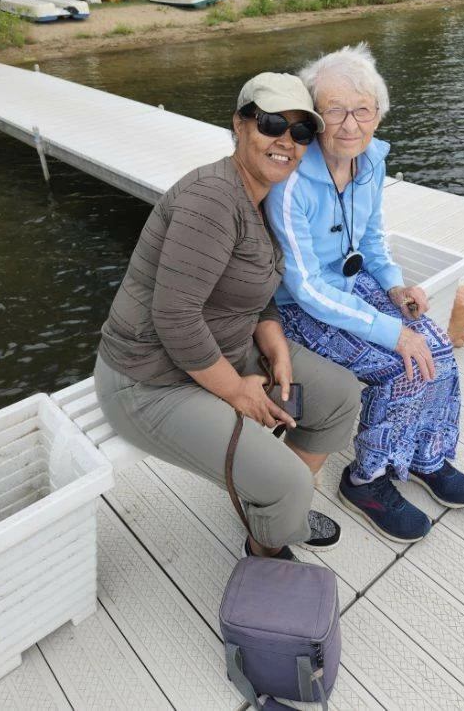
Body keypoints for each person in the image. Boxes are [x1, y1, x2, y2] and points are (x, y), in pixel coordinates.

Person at [94, 72, 363, 560]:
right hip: (150, 379)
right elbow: (174, 316)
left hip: (223, 351)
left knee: (339, 397)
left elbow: (257, 290)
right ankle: (276, 520)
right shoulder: (213, 198)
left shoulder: (258, 197)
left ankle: (271, 514)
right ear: (240, 124)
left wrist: (276, 345)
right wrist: (238, 390)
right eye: (272, 122)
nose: (287, 139)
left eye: (301, 131)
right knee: (287, 484)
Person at [264, 44, 464, 544]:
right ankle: (366, 479)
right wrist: (393, 332)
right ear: (315, 117)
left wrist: (395, 285)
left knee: (440, 352)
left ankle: (424, 453)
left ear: (377, 114)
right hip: (303, 308)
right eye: (334, 110)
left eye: (363, 110)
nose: (349, 124)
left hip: (350, 284)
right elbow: (305, 287)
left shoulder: (370, 163)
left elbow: (372, 240)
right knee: (401, 366)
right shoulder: (291, 183)